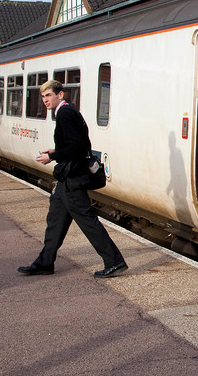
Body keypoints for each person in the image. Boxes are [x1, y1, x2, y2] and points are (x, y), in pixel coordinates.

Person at [18, 79, 127, 278]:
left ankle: (114, 261)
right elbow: (75, 144)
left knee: (87, 221)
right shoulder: (66, 112)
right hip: (67, 180)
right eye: (42, 96)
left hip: (72, 179)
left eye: (48, 95)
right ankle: (45, 262)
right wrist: (56, 151)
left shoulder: (65, 113)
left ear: (60, 95)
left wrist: (52, 156)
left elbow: (76, 147)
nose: (45, 100)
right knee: (55, 220)